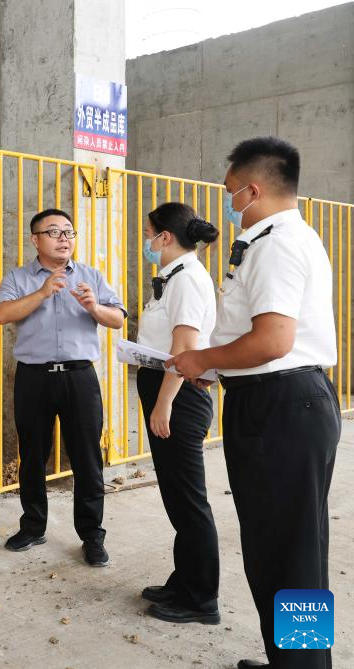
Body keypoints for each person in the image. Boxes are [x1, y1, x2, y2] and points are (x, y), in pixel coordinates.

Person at [168, 137, 339, 669]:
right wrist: (218, 366)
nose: (228, 202)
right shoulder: (289, 237)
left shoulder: (276, 244)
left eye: (230, 192)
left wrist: (201, 359)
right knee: (290, 550)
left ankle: (301, 667)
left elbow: (272, 341)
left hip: (279, 407)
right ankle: (294, 662)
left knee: (285, 555)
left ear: (253, 190)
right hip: (284, 402)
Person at [0, 208, 126, 567]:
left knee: (87, 458)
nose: (64, 238)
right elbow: (2, 314)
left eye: (69, 232)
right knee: (33, 456)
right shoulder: (19, 277)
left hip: (79, 377)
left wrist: (94, 307)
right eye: (54, 232)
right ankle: (33, 526)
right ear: (35, 240)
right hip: (34, 377)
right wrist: (41, 292)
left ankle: (92, 536)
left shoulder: (90, 275)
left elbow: (117, 318)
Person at [135, 202, 221, 625]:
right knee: (176, 496)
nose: (146, 242)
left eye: (147, 234)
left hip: (179, 395)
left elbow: (184, 347)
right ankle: (183, 581)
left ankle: (201, 600)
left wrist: (164, 402)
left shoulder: (186, 279)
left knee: (188, 500)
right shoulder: (174, 276)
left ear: (164, 237)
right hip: (169, 387)